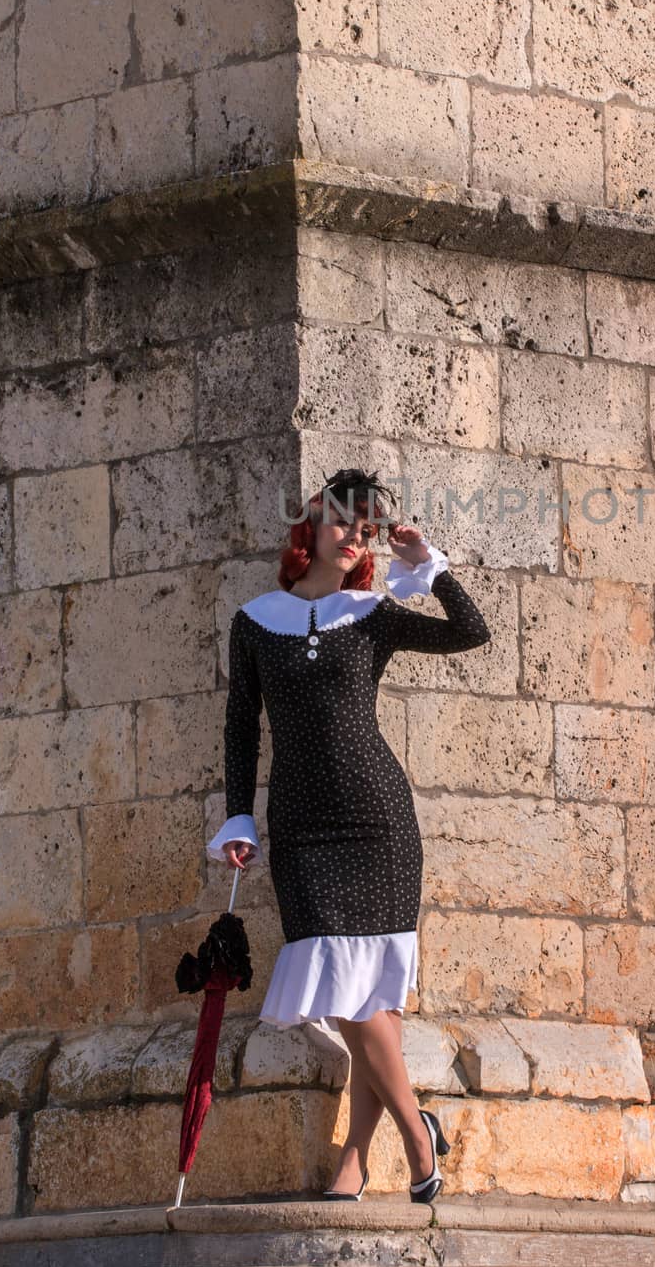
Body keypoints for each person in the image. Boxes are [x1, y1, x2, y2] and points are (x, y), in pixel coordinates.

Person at [206, 467, 492, 1202]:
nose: (355, 533)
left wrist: (424, 566)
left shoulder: (371, 615)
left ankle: (353, 1163)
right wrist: (238, 815)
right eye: (343, 520)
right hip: (301, 828)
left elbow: (471, 633)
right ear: (308, 528)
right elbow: (242, 726)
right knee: (348, 994)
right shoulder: (255, 621)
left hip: (378, 822)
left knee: (373, 1004)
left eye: (365, 526)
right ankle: (415, 1128)